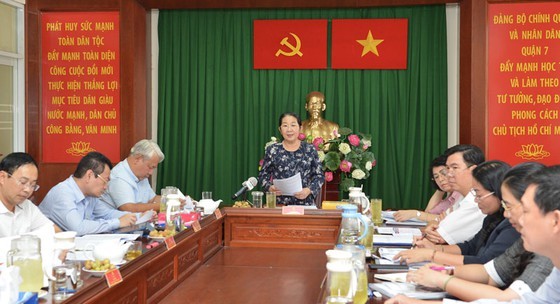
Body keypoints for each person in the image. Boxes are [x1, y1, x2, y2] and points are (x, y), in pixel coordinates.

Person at [385, 165, 560, 304]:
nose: (512, 217)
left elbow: (510, 298)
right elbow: (499, 284)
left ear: (555, 220)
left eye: (526, 211)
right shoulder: (551, 262)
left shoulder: (547, 258)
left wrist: (442, 278)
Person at [395, 161, 518, 266]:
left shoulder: (511, 226)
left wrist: (432, 255)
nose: (476, 199)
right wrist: (434, 248)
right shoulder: (491, 218)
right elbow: (470, 247)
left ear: (498, 192)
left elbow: (484, 263)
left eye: (479, 195)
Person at [39, 152, 139, 236]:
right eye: (105, 181)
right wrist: (117, 223)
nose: (106, 187)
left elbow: (107, 214)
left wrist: (137, 216)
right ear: (89, 175)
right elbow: (78, 228)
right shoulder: (63, 193)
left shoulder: (90, 195)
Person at [424, 144, 487, 245]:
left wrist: (435, 226)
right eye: (448, 168)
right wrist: (434, 223)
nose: (448, 174)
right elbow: (437, 223)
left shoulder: (475, 202)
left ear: (473, 170)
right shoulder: (462, 196)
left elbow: (437, 236)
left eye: (454, 167)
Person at [258, 112, 325, 206]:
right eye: (285, 126)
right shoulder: (273, 150)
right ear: (280, 129)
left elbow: (319, 176)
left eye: (293, 125)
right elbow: (263, 175)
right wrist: (269, 187)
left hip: (305, 203)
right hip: (279, 204)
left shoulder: (309, 149)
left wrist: (308, 190)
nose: (289, 129)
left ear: (300, 128)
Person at [0, 152, 54, 238]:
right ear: (2, 177)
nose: (28, 190)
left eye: (33, 185)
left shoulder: (27, 205)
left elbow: (55, 231)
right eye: (23, 182)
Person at [394, 155, 461, 222]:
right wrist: (440, 189)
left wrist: (415, 214)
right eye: (436, 177)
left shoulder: (460, 194)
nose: (440, 179)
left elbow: (449, 220)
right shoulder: (449, 197)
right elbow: (428, 213)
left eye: (443, 173)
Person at [102, 139, 164, 212]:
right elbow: (130, 209)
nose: (151, 172)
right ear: (138, 159)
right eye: (150, 167)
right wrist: (163, 205)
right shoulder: (119, 177)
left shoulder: (141, 175)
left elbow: (152, 199)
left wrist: (172, 200)